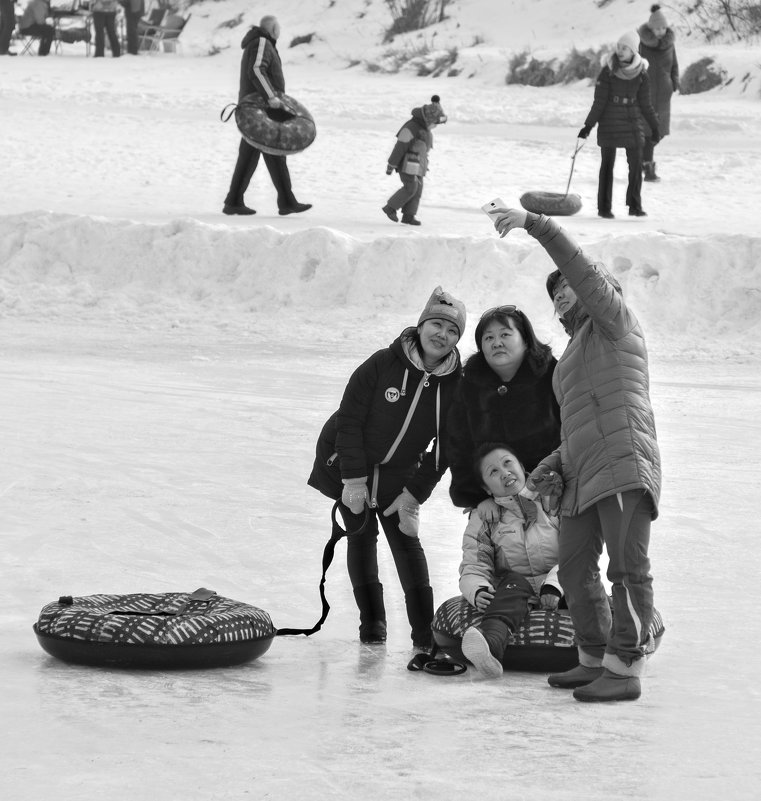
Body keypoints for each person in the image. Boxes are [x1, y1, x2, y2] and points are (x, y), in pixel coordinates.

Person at [492, 207, 661, 703]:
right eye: (554, 290)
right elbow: (577, 427)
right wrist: (552, 465)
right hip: (582, 475)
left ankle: (625, 666)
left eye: (567, 284)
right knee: (572, 567)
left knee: (628, 570)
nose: (562, 291)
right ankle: (592, 658)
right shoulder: (569, 359)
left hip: (625, 463)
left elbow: (581, 270)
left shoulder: (614, 321)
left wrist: (533, 222)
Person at [308, 287, 465, 648]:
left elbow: (447, 447)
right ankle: (372, 625)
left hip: (400, 477)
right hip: (350, 465)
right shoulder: (382, 363)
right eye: (436, 324)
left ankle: (425, 633)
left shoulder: (455, 385)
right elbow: (348, 420)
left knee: (407, 545)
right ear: (421, 325)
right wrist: (353, 480)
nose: (442, 334)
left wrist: (414, 494)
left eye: (452, 330)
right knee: (360, 537)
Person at [459, 443, 564, 678]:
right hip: (515, 591)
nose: (504, 472)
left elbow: (576, 553)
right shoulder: (483, 518)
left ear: (522, 467)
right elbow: (474, 564)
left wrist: (554, 586)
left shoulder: (552, 500)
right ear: (486, 489)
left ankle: (613, 642)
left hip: (562, 583)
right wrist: (478, 590)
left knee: (585, 584)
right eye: (493, 472)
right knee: (512, 582)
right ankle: (491, 647)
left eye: (507, 463)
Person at [446, 305, 560, 518]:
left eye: (505, 334)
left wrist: (558, 481)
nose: (496, 342)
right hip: (495, 502)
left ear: (525, 339)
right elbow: (457, 445)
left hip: (551, 495)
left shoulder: (552, 375)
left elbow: (573, 433)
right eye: (488, 338)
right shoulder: (470, 385)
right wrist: (476, 497)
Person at [222, 15, 311, 217]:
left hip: (258, 108)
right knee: (271, 153)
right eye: (278, 27)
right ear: (272, 29)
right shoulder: (262, 42)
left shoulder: (261, 42)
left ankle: (237, 201)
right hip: (261, 108)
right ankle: (284, 202)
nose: (280, 31)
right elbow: (256, 69)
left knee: (259, 155)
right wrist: (271, 97)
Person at [578, 31, 660, 218]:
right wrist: (588, 126)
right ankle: (604, 208)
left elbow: (646, 105)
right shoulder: (607, 71)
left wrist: (655, 127)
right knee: (607, 165)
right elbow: (599, 102)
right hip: (609, 122)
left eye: (625, 48)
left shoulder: (641, 74)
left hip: (632, 122)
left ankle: (635, 206)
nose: (620, 51)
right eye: (619, 47)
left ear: (633, 51)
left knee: (636, 164)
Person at [382, 95, 447, 227]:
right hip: (407, 165)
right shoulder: (411, 128)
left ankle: (409, 216)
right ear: (428, 119)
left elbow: (441, 118)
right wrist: (391, 165)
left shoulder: (425, 126)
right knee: (411, 187)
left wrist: (437, 104)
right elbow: (399, 148)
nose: (435, 126)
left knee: (418, 190)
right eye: (434, 123)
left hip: (419, 165)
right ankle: (390, 208)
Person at [638, 4, 679, 182]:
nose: (661, 31)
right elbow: (634, 65)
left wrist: (674, 82)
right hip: (645, 93)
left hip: (663, 96)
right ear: (650, 28)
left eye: (663, 27)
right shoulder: (641, 45)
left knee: (659, 133)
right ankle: (648, 169)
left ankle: (641, 159)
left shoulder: (670, 45)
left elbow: (674, 66)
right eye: (657, 28)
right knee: (649, 133)